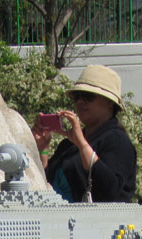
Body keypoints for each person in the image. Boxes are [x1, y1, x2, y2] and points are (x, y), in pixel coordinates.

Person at [32, 65, 136, 203]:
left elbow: (109, 190)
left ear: (109, 103)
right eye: (77, 97)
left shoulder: (117, 140)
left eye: (88, 96)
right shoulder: (68, 145)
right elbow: (47, 185)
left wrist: (81, 144)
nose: (81, 102)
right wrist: (43, 148)